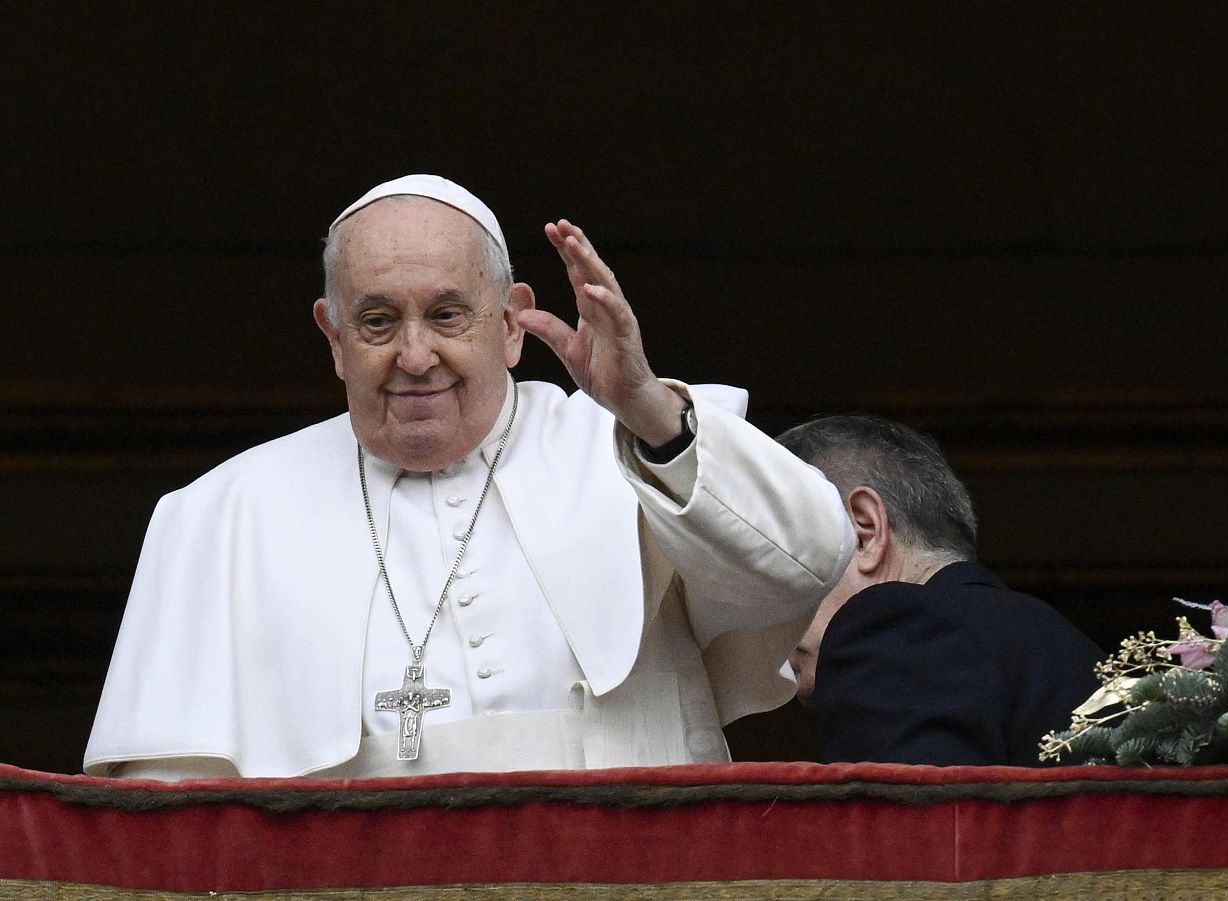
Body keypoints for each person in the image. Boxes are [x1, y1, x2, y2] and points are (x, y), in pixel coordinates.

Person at [85, 175, 852, 779]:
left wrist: (648, 406)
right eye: (378, 322)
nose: (415, 356)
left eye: (448, 315)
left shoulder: (634, 445)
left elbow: (810, 559)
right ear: (334, 337)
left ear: (514, 322)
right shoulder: (226, 513)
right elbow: (169, 807)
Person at [778, 415, 1102, 767]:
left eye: (775, 565)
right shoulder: (1062, 643)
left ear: (863, 533)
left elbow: (906, 822)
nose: (762, 621)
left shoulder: (895, 634)